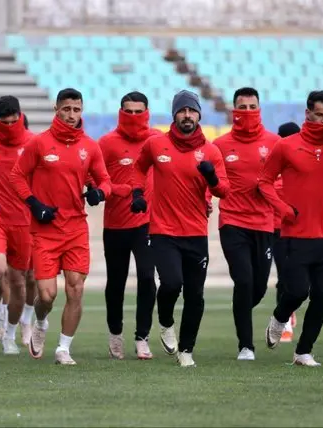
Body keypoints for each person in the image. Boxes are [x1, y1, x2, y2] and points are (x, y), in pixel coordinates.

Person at [10, 88, 112, 365]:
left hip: (76, 228)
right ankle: (41, 321)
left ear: (82, 111)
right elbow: (17, 176)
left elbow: (105, 181)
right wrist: (34, 204)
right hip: (45, 230)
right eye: (66, 109)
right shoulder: (39, 143)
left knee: (75, 289)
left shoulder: (90, 146)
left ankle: (63, 349)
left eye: (76, 110)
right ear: (56, 110)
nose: (71, 114)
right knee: (47, 295)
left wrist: (99, 193)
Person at [260, 90, 323, 366]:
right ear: (307, 113)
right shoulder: (287, 146)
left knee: (322, 296)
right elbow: (264, 182)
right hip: (295, 236)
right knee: (296, 292)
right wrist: (282, 209)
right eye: (320, 115)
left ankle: (303, 351)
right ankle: (279, 318)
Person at [131, 90, 229, 367]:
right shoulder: (156, 144)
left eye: (192, 111)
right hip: (163, 231)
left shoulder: (211, 151)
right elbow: (138, 168)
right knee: (172, 283)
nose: (187, 115)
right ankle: (165, 321)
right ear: (174, 114)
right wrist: (137, 194)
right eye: (182, 110)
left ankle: (186, 350)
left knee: (195, 295)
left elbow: (224, 191)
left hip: (196, 233)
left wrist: (211, 177)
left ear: (199, 115)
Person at [212, 88, 280, 361]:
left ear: (259, 109)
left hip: (264, 223)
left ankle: (240, 310)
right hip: (232, 221)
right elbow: (210, 181)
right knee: (243, 280)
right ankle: (246, 346)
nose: (248, 112)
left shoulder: (274, 143)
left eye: (252, 107)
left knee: (258, 288)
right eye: (242, 107)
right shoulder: (220, 145)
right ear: (234, 110)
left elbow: (283, 179)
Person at [98, 91, 157, 360]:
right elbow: (94, 179)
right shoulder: (106, 143)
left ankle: (142, 337)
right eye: (128, 112)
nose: (133, 116)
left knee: (147, 277)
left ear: (147, 112)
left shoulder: (157, 140)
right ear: (121, 112)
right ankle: (115, 334)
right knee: (116, 282)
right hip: (115, 224)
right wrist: (119, 189)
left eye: (138, 112)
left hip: (147, 223)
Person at [0, 96, 36, 354]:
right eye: (5, 122)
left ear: (20, 117)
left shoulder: (34, 143)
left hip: (24, 221)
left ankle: (11, 334)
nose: (10, 126)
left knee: (20, 281)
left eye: (14, 121)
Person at [274, 121, 301, 343]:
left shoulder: (302, 167)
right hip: (275, 229)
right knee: (283, 276)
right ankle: (284, 322)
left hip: (298, 230)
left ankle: (289, 312)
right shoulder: (273, 164)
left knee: (295, 278)